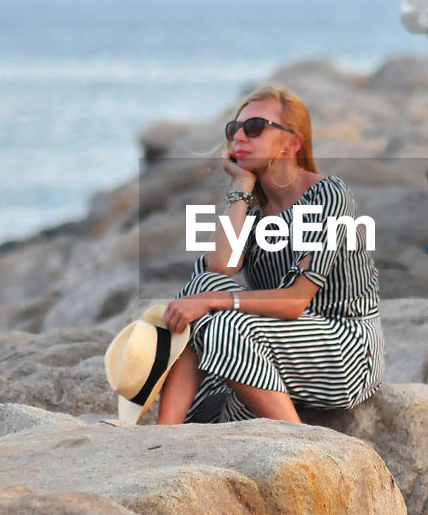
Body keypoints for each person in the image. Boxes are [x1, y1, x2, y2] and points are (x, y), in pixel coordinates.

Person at [156, 84, 384, 424]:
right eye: (234, 129)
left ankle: (297, 440)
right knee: (200, 289)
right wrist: (240, 188)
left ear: (293, 143)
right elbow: (219, 268)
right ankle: (164, 434)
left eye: (254, 128)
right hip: (277, 339)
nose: (239, 137)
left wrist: (212, 302)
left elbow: (296, 302)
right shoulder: (251, 206)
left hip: (344, 348)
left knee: (224, 327)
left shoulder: (328, 196)